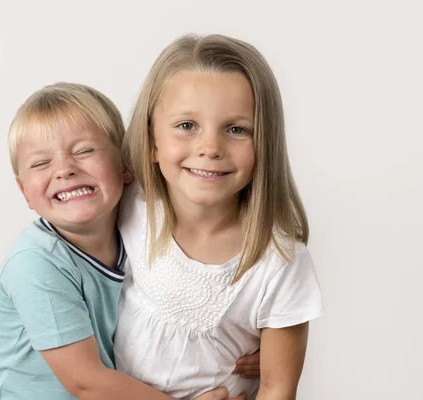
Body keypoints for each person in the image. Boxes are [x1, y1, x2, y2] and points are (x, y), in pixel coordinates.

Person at [0, 82, 248, 400]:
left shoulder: (137, 230)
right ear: (25, 193)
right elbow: (86, 381)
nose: (64, 169)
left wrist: (253, 346)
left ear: (126, 166)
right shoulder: (36, 262)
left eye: (84, 151)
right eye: (40, 163)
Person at [114, 34, 324, 400]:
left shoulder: (278, 262)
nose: (210, 148)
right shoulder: (129, 206)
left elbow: (278, 388)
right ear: (151, 141)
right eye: (186, 125)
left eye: (236, 129)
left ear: (265, 144)